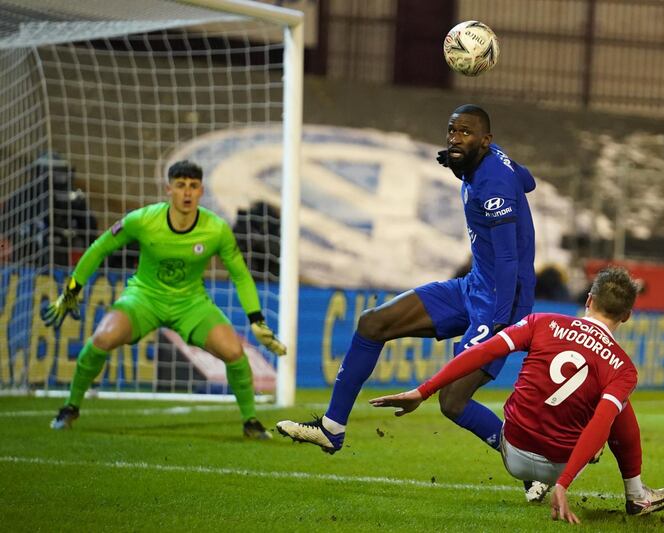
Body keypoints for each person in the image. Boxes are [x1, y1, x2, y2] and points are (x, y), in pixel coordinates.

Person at [276, 104, 537, 454]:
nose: (455, 138)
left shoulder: (493, 185)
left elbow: (508, 259)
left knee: (453, 401)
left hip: (501, 300)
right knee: (373, 323)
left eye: (465, 133)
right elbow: (529, 181)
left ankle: (531, 464)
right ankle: (331, 427)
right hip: (474, 286)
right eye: (452, 130)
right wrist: (462, 162)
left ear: (486, 140)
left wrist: (501, 323)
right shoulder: (491, 161)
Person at [370, 267, 664, 523]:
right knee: (615, 403)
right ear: (628, 316)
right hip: (562, 465)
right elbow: (602, 423)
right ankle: (636, 495)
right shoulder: (623, 367)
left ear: (589, 300)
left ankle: (540, 470)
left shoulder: (540, 322)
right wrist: (564, 484)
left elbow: (480, 353)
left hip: (512, 450)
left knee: (582, 395)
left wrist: (423, 391)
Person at [43, 160, 287, 438]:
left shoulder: (216, 229)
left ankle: (250, 422)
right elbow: (99, 248)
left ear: (201, 191)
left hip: (190, 303)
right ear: (168, 189)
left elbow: (241, 275)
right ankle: (70, 407)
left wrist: (255, 318)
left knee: (234, 352)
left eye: (193, 187)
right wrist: (72, 289)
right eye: (181, 186)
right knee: (102, 338)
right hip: (145, 297)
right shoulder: (144, 219)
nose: (187, 193)